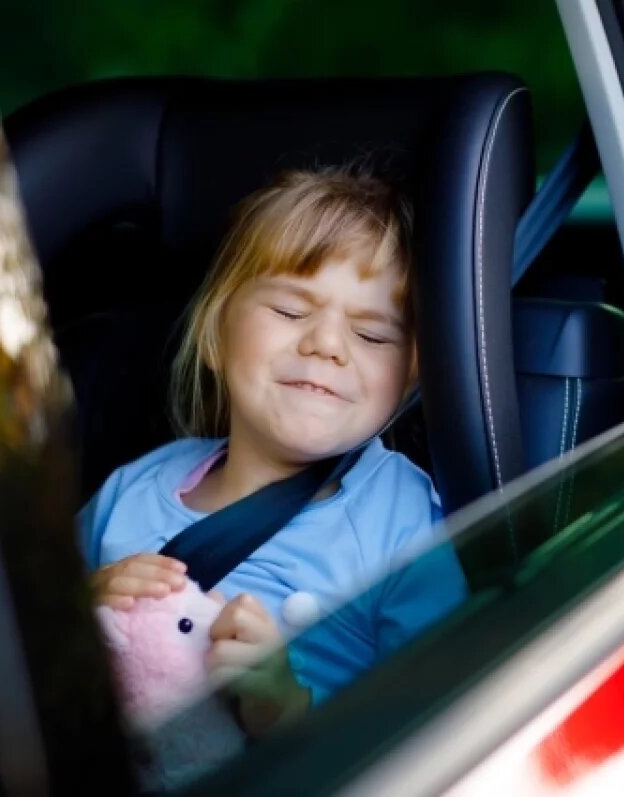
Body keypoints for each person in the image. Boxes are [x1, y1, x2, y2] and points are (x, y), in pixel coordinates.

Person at [77, 165, 468, 736]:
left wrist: (286, 711)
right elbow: (21, 647)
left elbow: (439, 728)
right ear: (216, 333)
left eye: (372, 334)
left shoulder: (402, 521)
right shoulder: (133, 487)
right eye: (289, 311)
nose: (327, 344)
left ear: (408, 377)